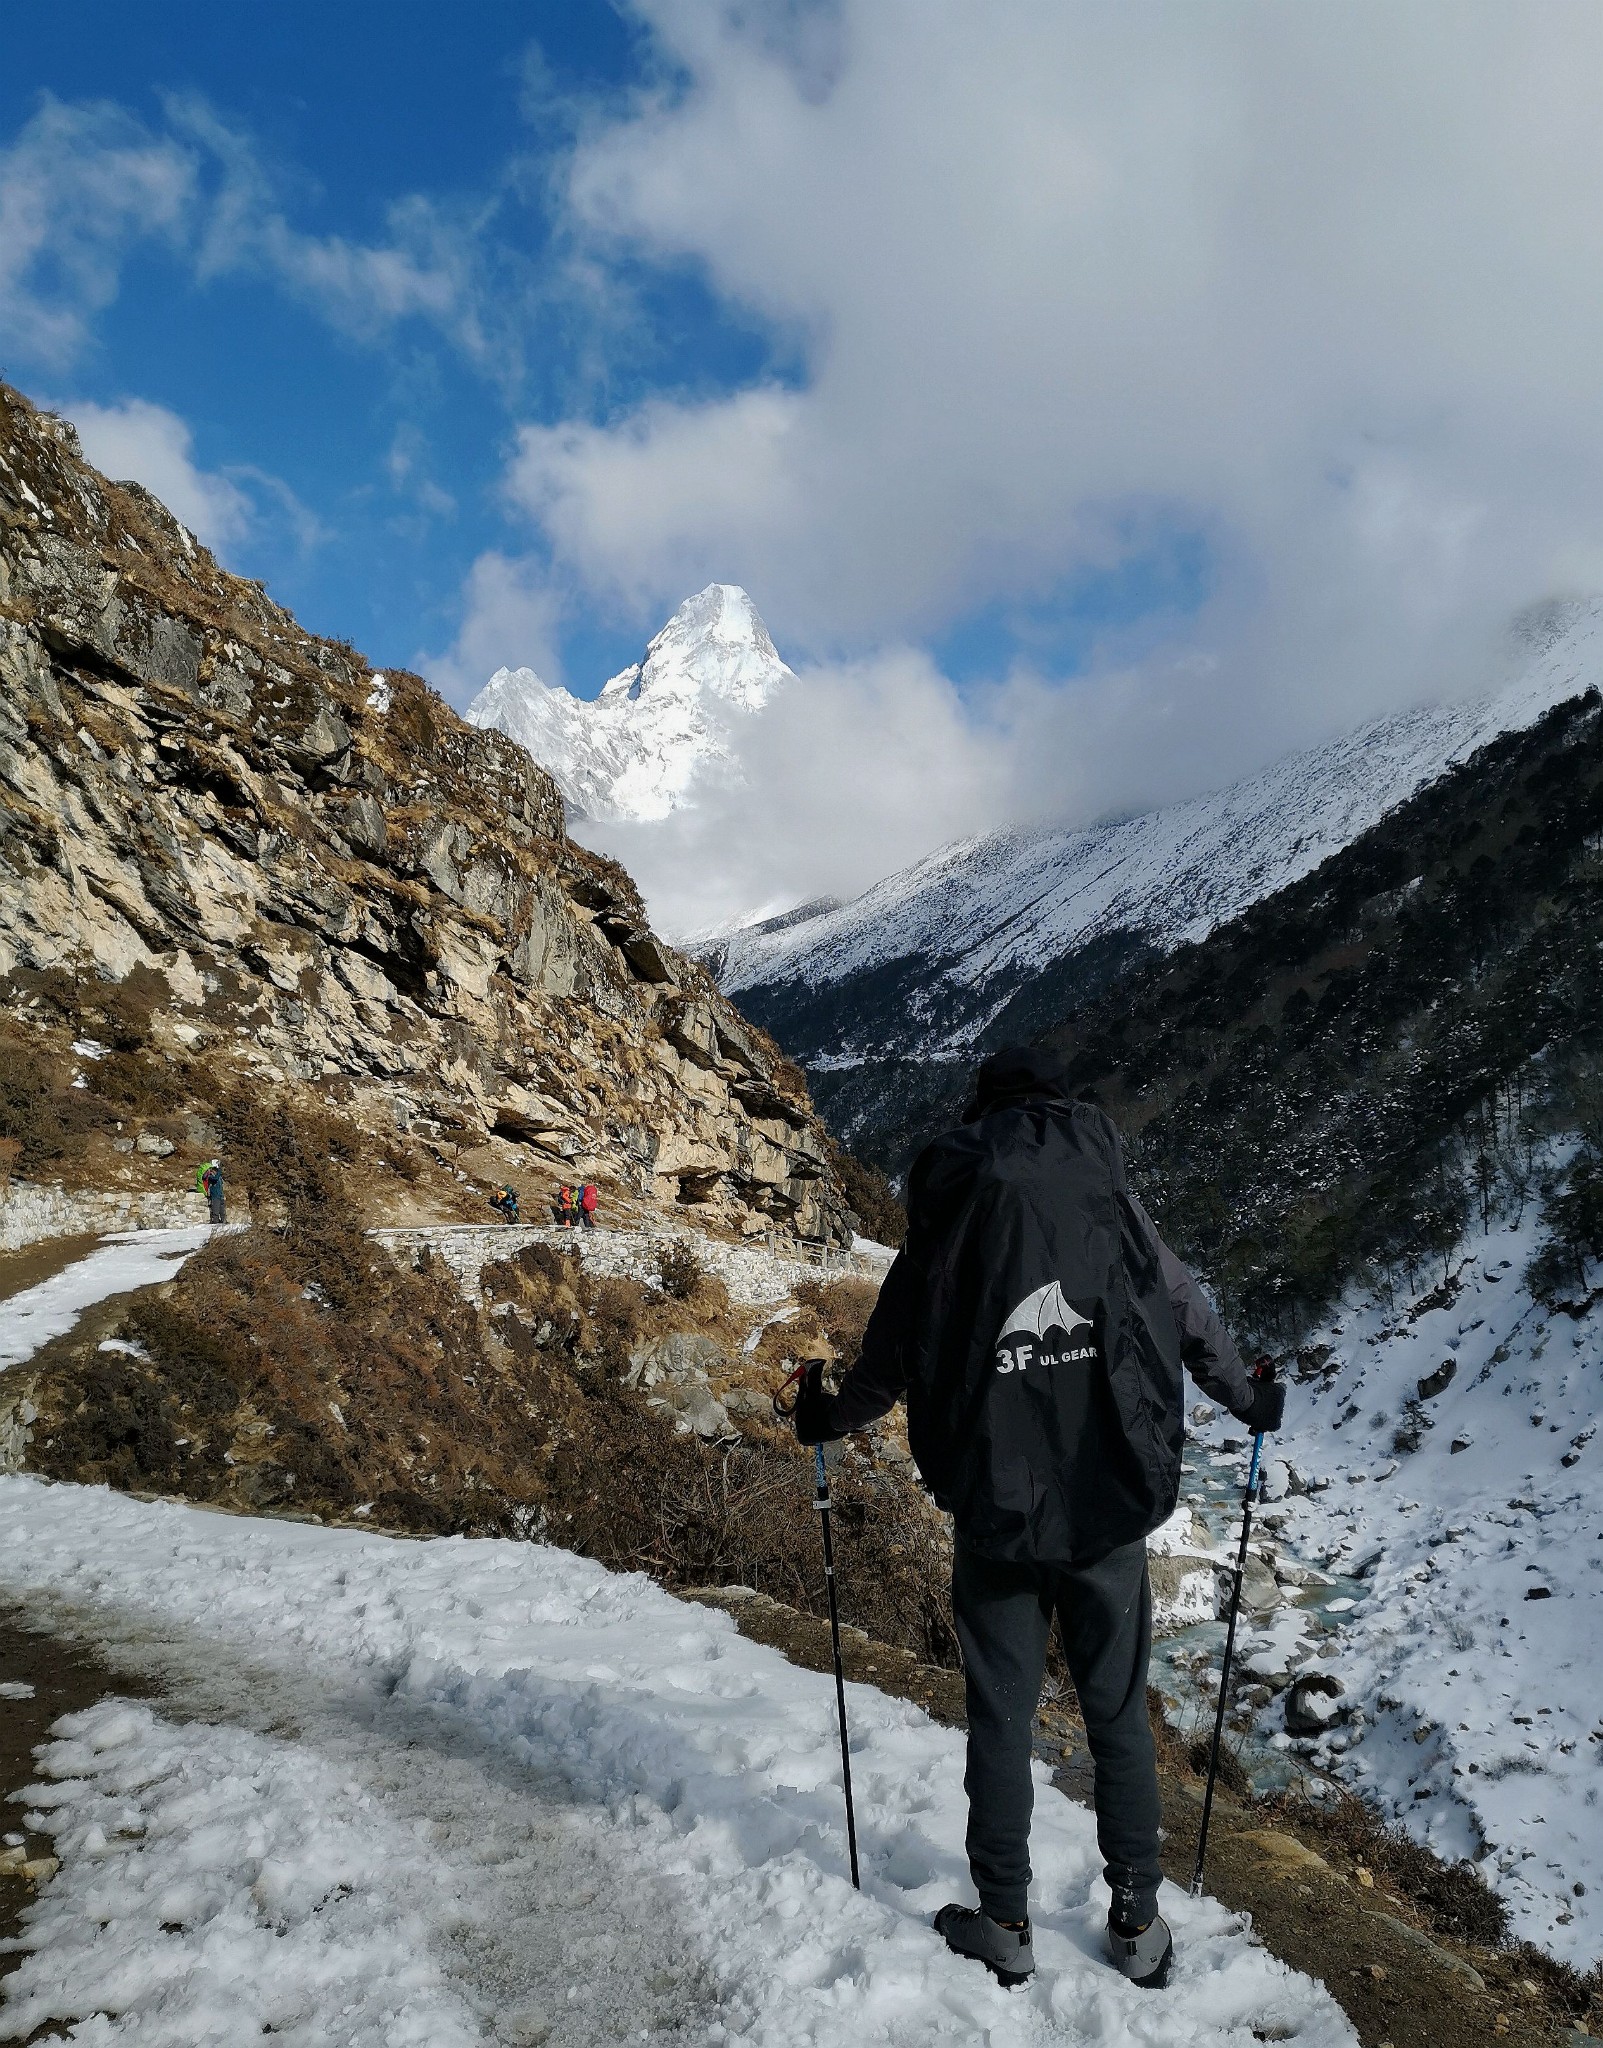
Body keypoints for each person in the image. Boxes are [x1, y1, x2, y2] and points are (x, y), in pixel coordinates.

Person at [791, 1045, 1283, 1993]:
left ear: (983, 1114)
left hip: (996, 1512)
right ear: (1062, 1108)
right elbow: (1185, 1314)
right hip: (1108, 1506)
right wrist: (1251, 1404)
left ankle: (1005, 1919)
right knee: (1117, 1719)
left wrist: (824, 1414)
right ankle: (1137, 1923)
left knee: (1001, 1720)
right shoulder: (1111, 1199)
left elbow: (893, 1352)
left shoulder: (954, 1211)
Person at [198, 1158, 225, 1226]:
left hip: (220, 1195)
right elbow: (214, 1179)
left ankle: (223, 1221)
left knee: (222, 1210)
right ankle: (215, 1222)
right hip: (215, 1195)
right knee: (215, 1210)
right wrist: (218, 1171)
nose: (216, 1172)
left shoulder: (218, 1176)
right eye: (215, 1170)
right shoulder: (210, 1176)